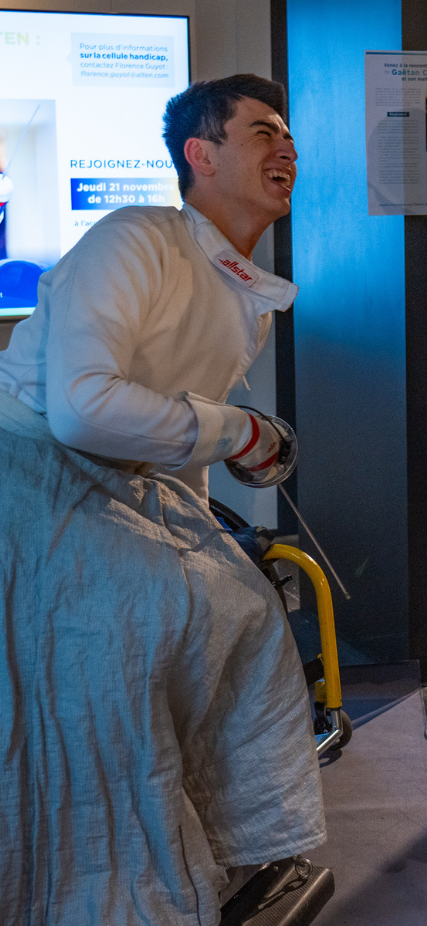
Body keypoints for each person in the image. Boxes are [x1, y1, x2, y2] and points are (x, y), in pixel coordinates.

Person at [0, 74, 325, 923]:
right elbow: (81, 405)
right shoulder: (137, 236)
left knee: (240, 609)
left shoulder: (239, 287)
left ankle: (229, 846)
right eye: (262, 131)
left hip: (106, 488)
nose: (285, 146)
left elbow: (169, 434)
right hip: (27, 478)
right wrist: (242, 434)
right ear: (200, 154)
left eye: (287, 133)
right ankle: (103, 888)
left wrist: (230, 469)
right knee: (129, 652)